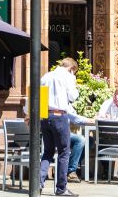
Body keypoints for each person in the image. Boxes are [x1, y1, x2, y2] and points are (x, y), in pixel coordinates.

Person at [39, 57, 79, 196]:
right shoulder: (68, 77)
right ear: (71, 69)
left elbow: (40, 97)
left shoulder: (46, 76)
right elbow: (73, 96)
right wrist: (73, 80)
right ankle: (61, 188)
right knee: (64, 152)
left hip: (45, 116)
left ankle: (39, 182)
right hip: (59, 116)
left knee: (48, 151)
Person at [67, 110, 93, 182]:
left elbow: (74, 117)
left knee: (90, 140)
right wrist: (88, 120)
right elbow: (73, 117)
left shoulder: (68, 104)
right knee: (80, 139)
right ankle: (71, 171)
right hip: (60, 133)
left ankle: (69, 166)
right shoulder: (62, 102)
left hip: (66, 132)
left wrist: (87, 120)